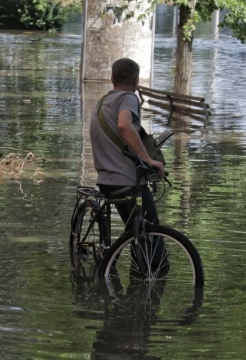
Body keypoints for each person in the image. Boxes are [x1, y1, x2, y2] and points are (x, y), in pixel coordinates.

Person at [89, 58, 167, 270]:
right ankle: (151, 293)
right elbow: (124, 125)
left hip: (106, 181)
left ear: (112, 78)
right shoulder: (128, 98)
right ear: (136, 80)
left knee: (137, 238)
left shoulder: (101, 102)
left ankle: (132, 287)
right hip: (127, 182)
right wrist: (148, 159)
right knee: (156, 251)